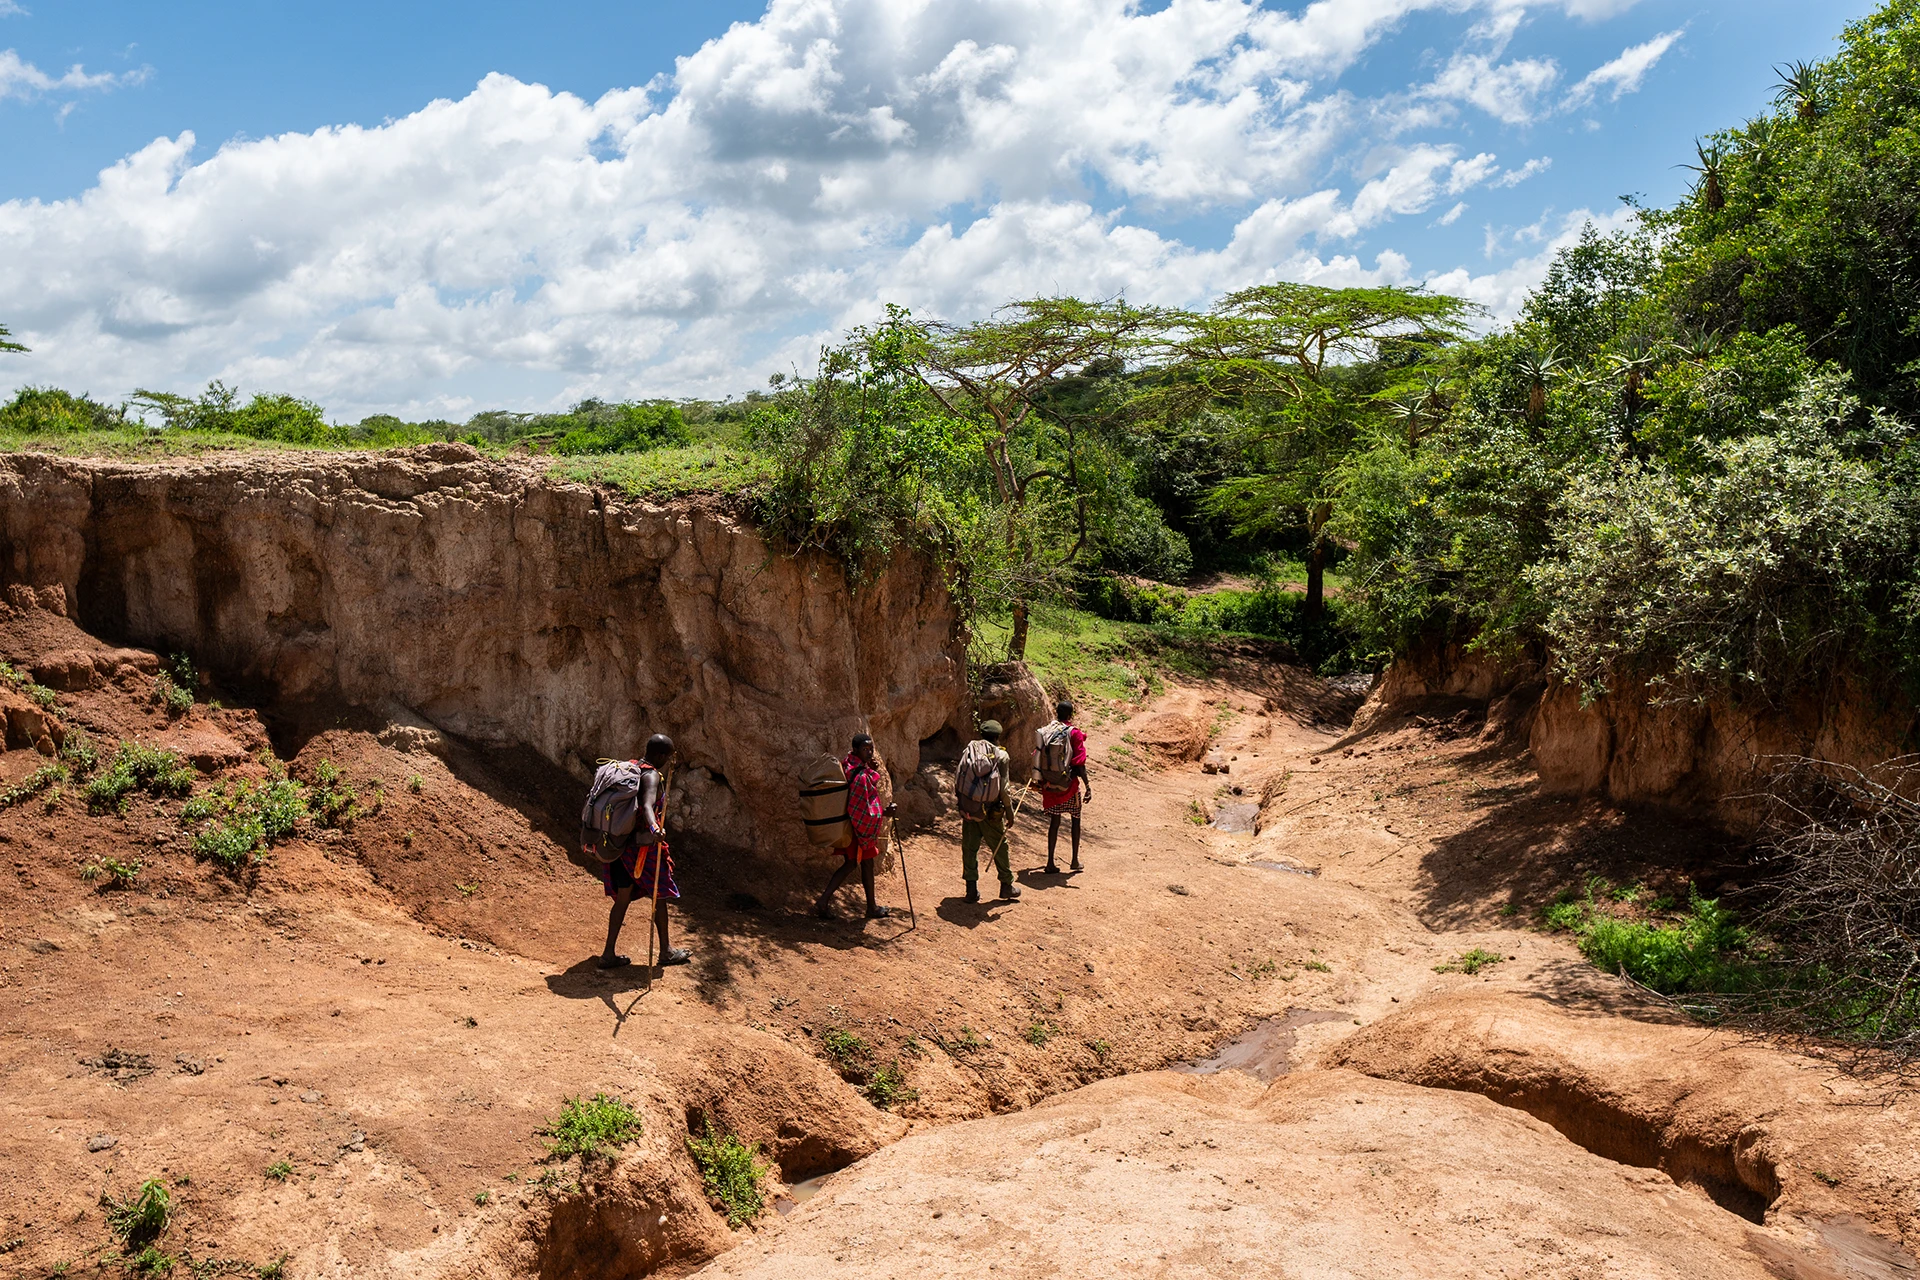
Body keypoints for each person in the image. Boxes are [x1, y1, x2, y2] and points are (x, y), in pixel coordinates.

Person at [598, 734, 692, 971]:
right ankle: (666, 952)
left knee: (622, 899)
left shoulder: (631, 767)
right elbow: (648, 806)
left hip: (620, 845)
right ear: (660, 755)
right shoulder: (650, 775)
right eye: (667, 758)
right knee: (659, 895)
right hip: (642, 849)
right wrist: (655, 828)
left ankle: (608, 953)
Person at [815, 733, 898, 921]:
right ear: (856, 750)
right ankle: (825, 901)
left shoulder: (850, 764)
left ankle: (870, 907)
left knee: (863, 863)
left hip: (849, 825)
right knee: (853, 863)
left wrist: (869, 768)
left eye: (871, 749)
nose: (869, 753)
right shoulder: (859, 775)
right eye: (865, 749)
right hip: (857, 829)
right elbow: (861, 809)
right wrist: (885, 814)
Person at [958, 720, 1019, 904]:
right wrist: (1009, 811)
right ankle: (1006, 885)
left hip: (970, 807)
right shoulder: (1001, 756)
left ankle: (971, 890)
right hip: (991, 810)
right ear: (997, 736)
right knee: (1000, 846)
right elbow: (1004, 788)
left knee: (969, 847)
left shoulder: (970, 750)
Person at [1035, 700, 1093, 874]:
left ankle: (1050, 863)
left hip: (1049, 785)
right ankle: (1074, 860)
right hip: (1069, 786)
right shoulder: (1073, 733)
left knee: (1054, 822)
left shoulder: (1047, 731)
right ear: (1070, 715)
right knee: (1076, 819)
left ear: (1056, 712)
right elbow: (1079, 763)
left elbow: (1037, 755)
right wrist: (1088, 785)